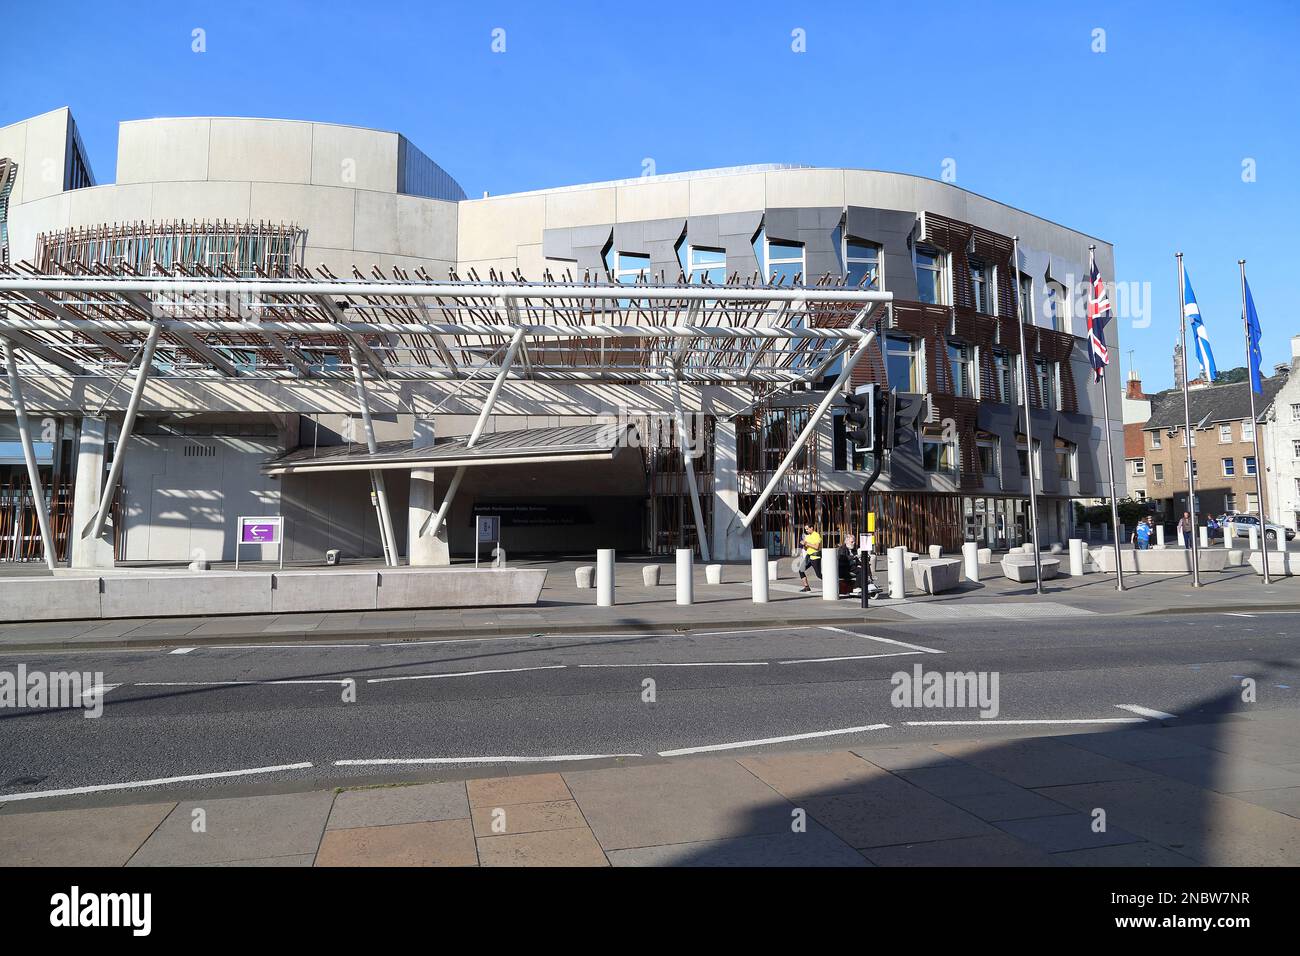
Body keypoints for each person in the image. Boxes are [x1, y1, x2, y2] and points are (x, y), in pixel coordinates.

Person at [797, 523, 822, 592]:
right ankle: (806, 587)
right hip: (808, 556)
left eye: (807, 529)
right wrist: (803, 545)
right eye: (805, 529)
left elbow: (817, 547)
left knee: (819, 575)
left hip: (815, 556)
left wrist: (806, 543)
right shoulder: (807, 536)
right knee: (801, 570)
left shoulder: (816, 535)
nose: (806, 530)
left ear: (812, 528)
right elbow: (805, 549)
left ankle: (831, 583)